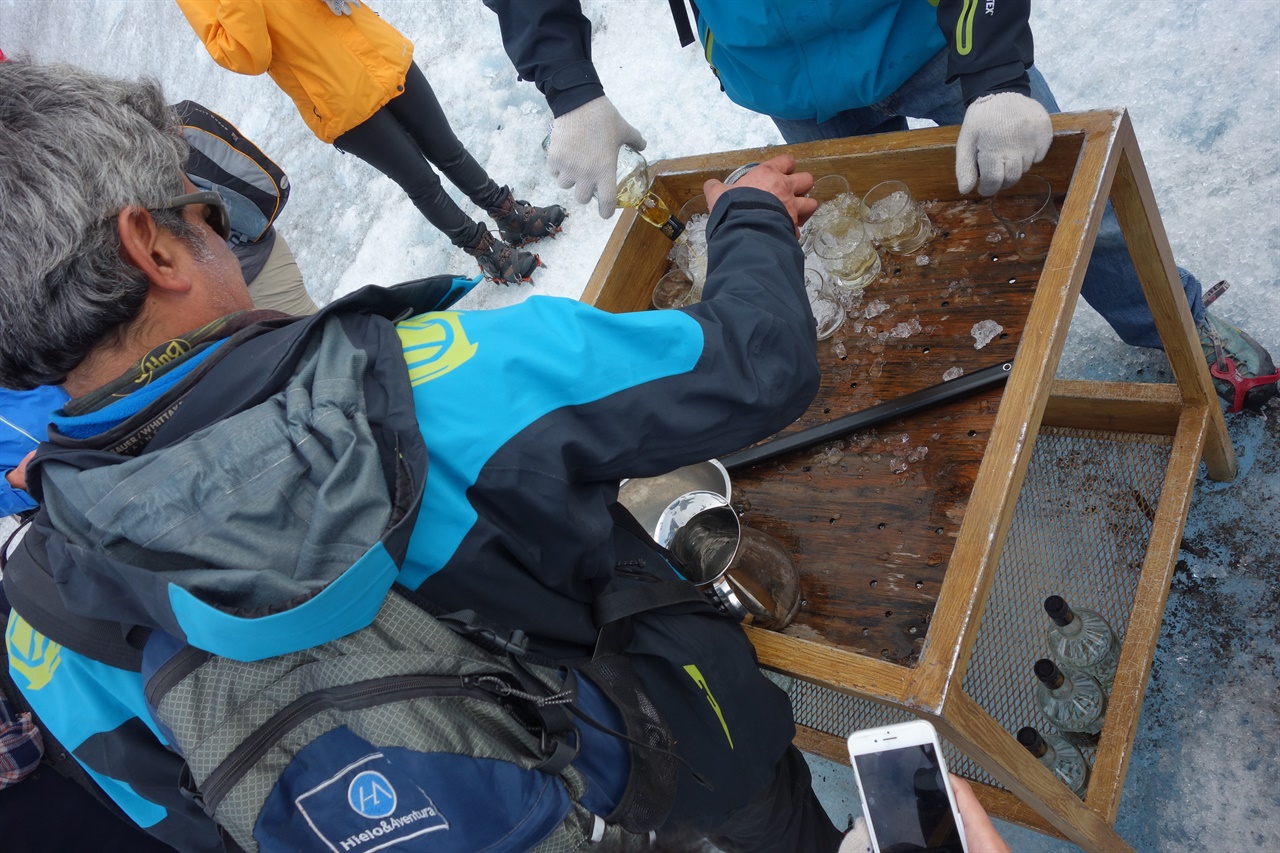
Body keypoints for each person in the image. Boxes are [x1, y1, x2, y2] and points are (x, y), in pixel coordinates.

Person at [0, 58, 842, 851]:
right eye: (213, 215)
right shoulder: (431, 382)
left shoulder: (46, 617)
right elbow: (753, 364)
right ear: (150, 246)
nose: (232, 240)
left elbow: (189, 822)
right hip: (680, 754)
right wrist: (752, 214)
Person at [484, 0, 1278, 412]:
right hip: (780, 72)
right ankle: (963, 383)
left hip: (930, 33)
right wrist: (571, 88)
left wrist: (996, 70)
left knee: (1072, 194)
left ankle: (1171, 321)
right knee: (868, 240)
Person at [0, 97, 314, 520]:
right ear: (156, 254)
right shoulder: (385, 375)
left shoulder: (59, 572)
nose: (226, 239)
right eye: (209, 217)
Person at [176, 0, 566, 285]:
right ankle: (485, 252)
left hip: (376, 53)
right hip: (335, 93)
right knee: (422, 182)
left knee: (450, 150)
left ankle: (509, 216)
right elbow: (247, 54)